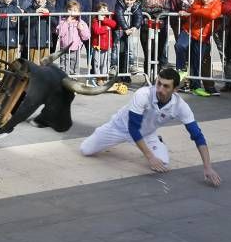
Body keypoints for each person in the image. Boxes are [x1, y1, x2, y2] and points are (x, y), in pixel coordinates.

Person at [80, 68, 222, 187]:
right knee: (86, 150)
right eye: (158, 83)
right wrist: (149, 157)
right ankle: (104, 137)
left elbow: (197, 135)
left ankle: (158, 141)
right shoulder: (143, 94)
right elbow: (133, 128)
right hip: (119, 127)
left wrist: (207, 167)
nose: (160, 89)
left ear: (176, 90)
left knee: (163, 164)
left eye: (166, 86)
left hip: (147, 133)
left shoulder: (181, 106)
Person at [185, 0, 222, 97]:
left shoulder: (217, 3)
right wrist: (203, 10)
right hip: (194, 33)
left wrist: (199, 11)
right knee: (194, 60)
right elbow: (191, 9)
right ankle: (194, 85)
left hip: (205, 36)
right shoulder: (198, 1)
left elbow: (212, 15)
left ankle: (208, 86)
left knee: (204, 61)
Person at [170, 0, 204, 81]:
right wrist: (175, 28)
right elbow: (173, 10)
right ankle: (182, 75)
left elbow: (210, 6)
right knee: (180, 46)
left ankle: (198, 83)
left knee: (198, 56)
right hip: (184, 27)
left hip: (201, 27)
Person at [138, 0, 171, 81]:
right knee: (148, 54)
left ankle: (157, 78)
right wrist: (156, 10)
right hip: (146, 28)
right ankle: (147, 78)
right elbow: (142, 9)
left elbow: (166, 10)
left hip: (160, 28)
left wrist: (153, 12)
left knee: (159, 54)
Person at [114, 0, 142, 82]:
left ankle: (129, 68)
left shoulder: (137, 5)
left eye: (131, 0)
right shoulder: (120, 3)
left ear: (134, 0)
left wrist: (135, 26)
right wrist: (125, 28)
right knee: (120, 52)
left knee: (129, 50)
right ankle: (117, 72)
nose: (129, 2)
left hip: (129, 31)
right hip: (121, 30)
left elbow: (139, 16)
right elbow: (119, 16)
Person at [56, 0, 90, 75]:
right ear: (66, 10)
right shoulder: (62, 21)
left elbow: (86, 37)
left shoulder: (81, 22)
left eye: (75, 10)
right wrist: (66, 23)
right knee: (64, 66)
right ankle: (64, 80)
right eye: (70, 10)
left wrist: (81, 29)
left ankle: (74, 79)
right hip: (64, 49)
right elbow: (60, 33)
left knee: (74, 67)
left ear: (79, 12)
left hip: (76, 49)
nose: (72, 12)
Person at [24, 0, 52, 65]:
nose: (40, 0)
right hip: (33, 42)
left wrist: (48, 14)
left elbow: (55, 23)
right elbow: (25, 22)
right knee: (34, 65)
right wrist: (34, 13)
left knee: (45, 65)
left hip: (45, 41)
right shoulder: (29, 9)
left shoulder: (50, 7)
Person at [91, 2, 117, 84]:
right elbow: (96, 31)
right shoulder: (95, 20)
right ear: (97, 11)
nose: (104, 11)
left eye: (105, 9)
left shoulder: (108, 18)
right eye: (102, 9)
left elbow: (114, 24)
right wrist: (106, 28)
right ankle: (99, 78)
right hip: (97, 46)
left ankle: (105, 76)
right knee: (97, 62)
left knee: (106, 62)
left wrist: (104, 20)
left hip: (107, 45)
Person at [0, 0, 22, 66]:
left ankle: (12, 79)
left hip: (13, 42)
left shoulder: (16, 10)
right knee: (1, 65)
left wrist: (20, 41)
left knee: (13, 65)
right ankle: (0, 79)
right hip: (0, 41)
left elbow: (21, 27)